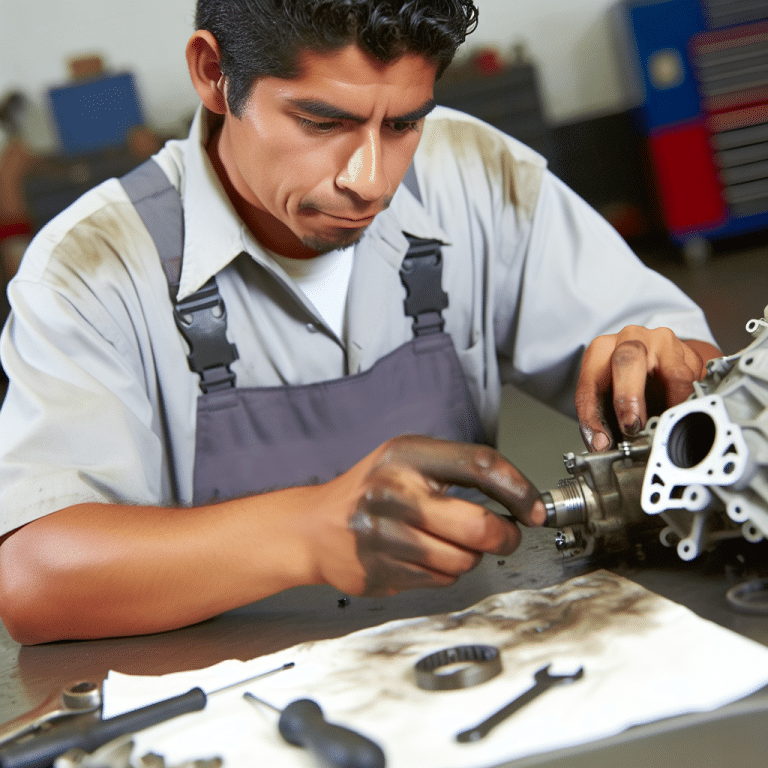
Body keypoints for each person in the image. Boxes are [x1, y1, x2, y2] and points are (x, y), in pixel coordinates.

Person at [0, 0, 720, 645]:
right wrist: (308, 534)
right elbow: (33, 578)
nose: (370, 180)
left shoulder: (473, 172)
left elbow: (700, 373)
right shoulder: (90, 268)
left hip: (473, 649)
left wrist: (665, 372)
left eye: (403, 123)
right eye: (322, 122)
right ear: (214, 73)